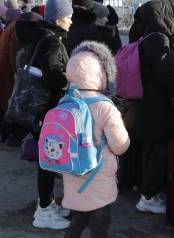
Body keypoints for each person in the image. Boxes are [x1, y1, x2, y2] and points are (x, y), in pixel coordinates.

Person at [14, 0, 73, 230]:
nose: (71, 21)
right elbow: (53, 78)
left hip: (38, 108)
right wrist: (72, 77)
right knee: (48, 159)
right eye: (68, 17)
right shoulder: (52, 42)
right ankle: (45, 211)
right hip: (47, 108)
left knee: (48, 157)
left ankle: (48, 203)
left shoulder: (41, 38)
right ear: (58, 19)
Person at [61, 41, 131, 238]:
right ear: (102, 74)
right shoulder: (104, 106)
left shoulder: (65, 101)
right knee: (100, 224)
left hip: (72, 171)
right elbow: (120, 145)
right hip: (98, 175)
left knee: (79, 217)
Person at [133, 0, 174, 215]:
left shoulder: (144, 36)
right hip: (157, 104)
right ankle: (148, 197)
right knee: (159, 150)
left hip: (143, 101)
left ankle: (147, 192)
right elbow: (163, 75)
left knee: (149, 150)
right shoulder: (160, 39)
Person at [0, 11, 41, 145]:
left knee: (6, 101)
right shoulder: (17, 26)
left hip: (4, 64)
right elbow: (15, 50)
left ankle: (2, 133)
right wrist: (17, 71)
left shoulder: (12, 24)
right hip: (9, 67)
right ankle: (9, 135)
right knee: (10, 101)